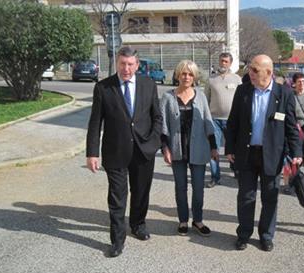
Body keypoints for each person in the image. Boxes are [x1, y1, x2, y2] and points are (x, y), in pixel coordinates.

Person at [86, 47, 162, 258]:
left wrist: (154, 142)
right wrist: (92, 152)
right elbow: (95, 122)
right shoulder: (103, 87)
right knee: (117, 197)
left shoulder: (148, 84)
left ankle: (138, 224)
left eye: (130, 64)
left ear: (137, 65)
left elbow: (157, 116)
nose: (126, 68)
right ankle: (117, 240)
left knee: (141, 192)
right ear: (117, 63)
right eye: (122, 63)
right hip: (115, 151)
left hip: (143, 149)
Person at [225, 54, 302, 252]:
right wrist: (230, 148)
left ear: (268, 72)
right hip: (247, 153)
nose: (249, 73)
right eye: (250, 69)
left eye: (254, 70)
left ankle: (266, 235)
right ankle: (243, 234)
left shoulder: (284, 94)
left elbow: (291, 127)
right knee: (246, 197)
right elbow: (233, 122)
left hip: (272, 155)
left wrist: (296, 152)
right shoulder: (243, 91)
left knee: (270, 197)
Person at [161, 60, 219, 236]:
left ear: (195, 77)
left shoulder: (200, 96)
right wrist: (165, 148)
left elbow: (209, 123)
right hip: (178, 149)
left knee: (199, 188)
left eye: (190, 74)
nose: (186, 77)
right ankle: (183, 220)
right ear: (178, 75)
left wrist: (214, 147)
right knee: (180, 187)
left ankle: (198, 220)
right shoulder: (167, 97)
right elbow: (163, 125)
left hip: (199, 148)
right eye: (183, 73)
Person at [204, 52, 242, 187]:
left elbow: (242, 100)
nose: (223, 63)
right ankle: (215, 177)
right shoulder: (211, 80)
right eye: (221, 61)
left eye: (226, 61)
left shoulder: (237, 79)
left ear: (230, 63)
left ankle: (237, 171)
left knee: (235, 148)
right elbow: (206, 99)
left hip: (232, 120)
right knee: (213, 149)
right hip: (214, 119)